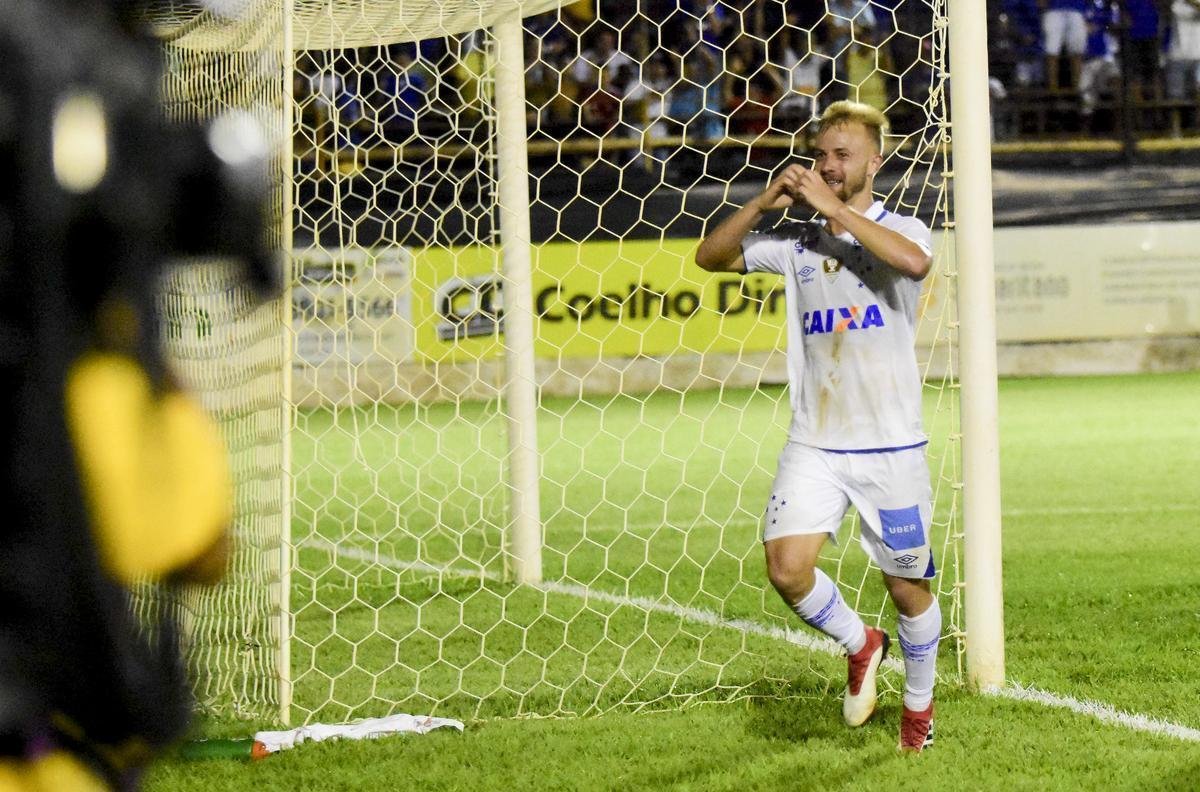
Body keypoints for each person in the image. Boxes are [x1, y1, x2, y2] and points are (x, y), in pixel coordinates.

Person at [694, 100, 940, 753]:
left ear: (873, 163)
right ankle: (861, 645)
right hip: (816, 442)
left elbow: (914, 265)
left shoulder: (903, 227)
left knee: (906, 585)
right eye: (822, 154)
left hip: (891, 447)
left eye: (843, 154)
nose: (829, 165)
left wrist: (832, 210)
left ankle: (919, 708)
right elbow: (709, 258)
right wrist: (761, 203)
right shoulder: (796, 238)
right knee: (787, 568)